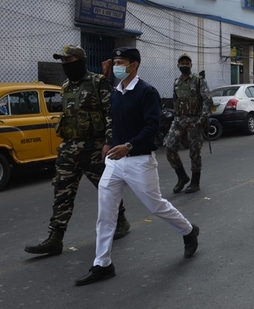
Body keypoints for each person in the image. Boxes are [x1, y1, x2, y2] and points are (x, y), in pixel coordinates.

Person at [75, 47, 199, 286]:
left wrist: (128, 146)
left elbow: (152, 127)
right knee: (105, 213)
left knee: (156, 206)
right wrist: (109, 143)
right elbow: (115, 121)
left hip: (139, 160)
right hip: (115, 161)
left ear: (134, 65)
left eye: (121, 62)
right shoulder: (116, 92)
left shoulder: (146, 92)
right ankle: (102, 264)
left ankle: (188, 231)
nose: (117, 66)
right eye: (115, 62)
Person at [24, 45, 130, 256]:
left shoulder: (98, 82)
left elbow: (110, 114)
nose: (65, 65)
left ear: (80, 61)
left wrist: (108, 142)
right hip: (69, 147)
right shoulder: (65, 86)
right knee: (62, 192)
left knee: (106, 189)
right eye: (62, 61)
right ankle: (55, 238)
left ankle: (121, 221)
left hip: (94, 147)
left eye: (68, 60)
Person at [164, 53, 213, 194]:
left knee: (194, 152)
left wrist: (201, 120)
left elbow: (207, 100)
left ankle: (195, 182)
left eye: (187, 63)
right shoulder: (176, 82)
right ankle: (182, 177)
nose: (184, 65)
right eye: (182, 63)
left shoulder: (198, 81)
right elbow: (175, 100)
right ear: (178, 65)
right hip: (179, 120)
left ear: (191, 65)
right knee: (169, 147)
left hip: (194, 120)